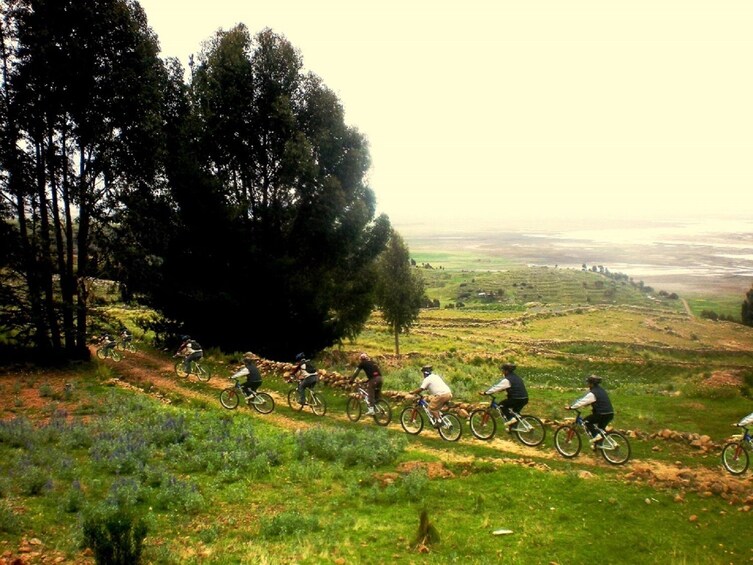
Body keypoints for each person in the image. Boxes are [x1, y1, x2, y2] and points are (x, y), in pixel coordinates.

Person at [566, 375, 614, 448]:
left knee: (586, 422)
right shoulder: (601, 390)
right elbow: (598, 401)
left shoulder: (593, 393)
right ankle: (599, 445)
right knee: (600, 429)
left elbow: (582, 401)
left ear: (591, 383)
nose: (587, 384)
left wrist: (571, 407)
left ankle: (596, 436)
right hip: (610, 413)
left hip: (601, 414)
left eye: (588, 382)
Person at [479, 362, 528, 428]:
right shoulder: (517, 377)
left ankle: (511, 419)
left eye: (503, 370)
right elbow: (515, 387)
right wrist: (503, 390)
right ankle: (514, 428)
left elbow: (496, 387)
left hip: (516, 399)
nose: (502, 371)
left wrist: (485, 392)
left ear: (506, 371)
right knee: (515, 413)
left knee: (501, 406)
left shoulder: (507, 379)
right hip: (524, 398)